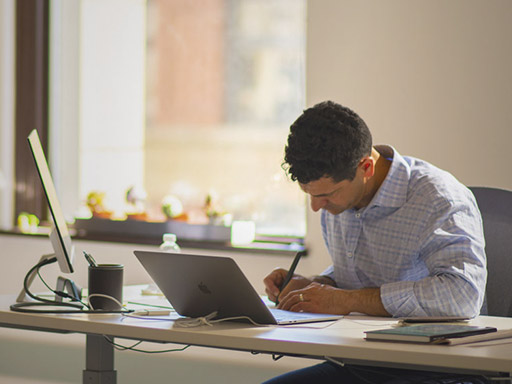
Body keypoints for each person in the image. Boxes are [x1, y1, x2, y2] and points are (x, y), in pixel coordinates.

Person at [262, 101, 488, 384]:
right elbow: (363, 276)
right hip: (362, 361)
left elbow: (462, 296)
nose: (316, 207)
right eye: (309, 194)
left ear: (366, 167)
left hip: (435, 367)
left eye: (326, 195)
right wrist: (314, 286)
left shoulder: (438, 198)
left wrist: (346, 300)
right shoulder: (340, 199)